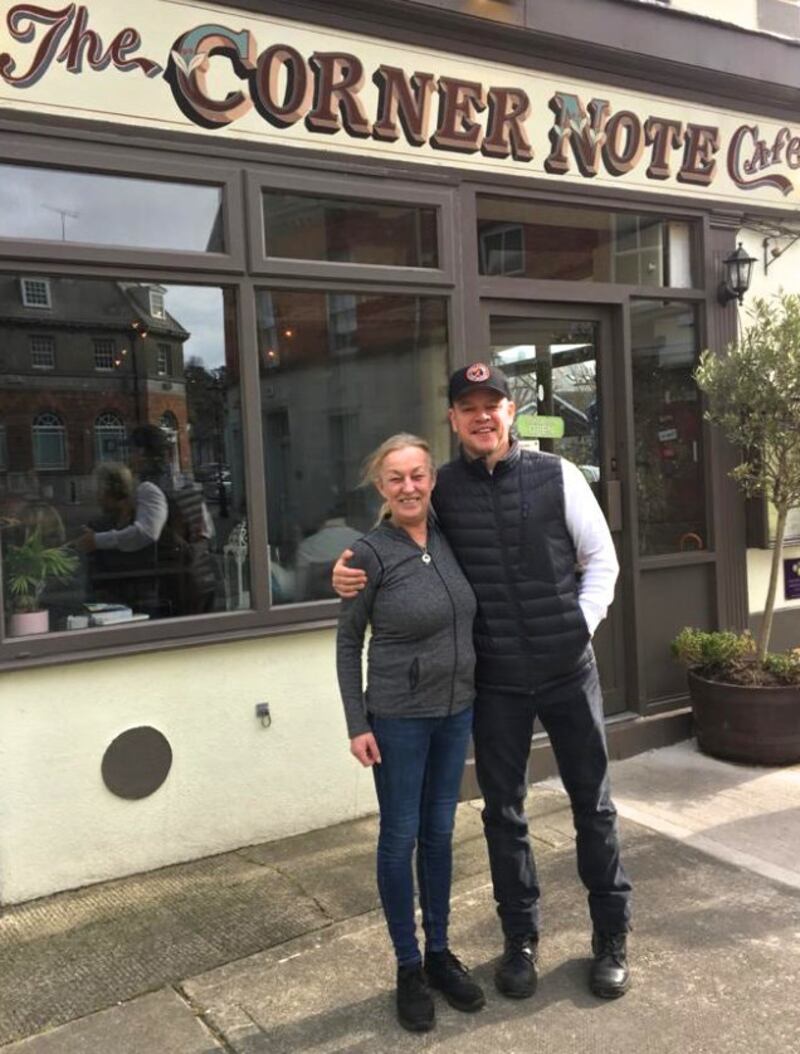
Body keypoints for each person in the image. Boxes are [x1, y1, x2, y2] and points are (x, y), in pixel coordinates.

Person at [334, 363, 632, 1002]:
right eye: (467, 407)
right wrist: (348, 569)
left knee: (593, 806)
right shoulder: (441, 489)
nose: (481, 416)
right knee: (504, 814)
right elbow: (400, 531)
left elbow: (602, 562)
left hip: (567, 671)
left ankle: (611, 937)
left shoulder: (558, 475)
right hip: (496, 682)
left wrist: (575, 629)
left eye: (491, 404)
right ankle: (520, 941)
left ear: (510, 411)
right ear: (454, 419)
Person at [336, 433, 485, 1033]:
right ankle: (407, 966)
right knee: (400, 839)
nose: (409, 487)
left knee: (440, 835)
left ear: (432, 480)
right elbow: (348, 643)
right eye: (395, 478)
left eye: (418, 475)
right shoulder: (368, 554)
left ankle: (440, 953)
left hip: (455, 713)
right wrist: (357, 724)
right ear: (381, 486)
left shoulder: (449, 537)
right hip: (397, 720)